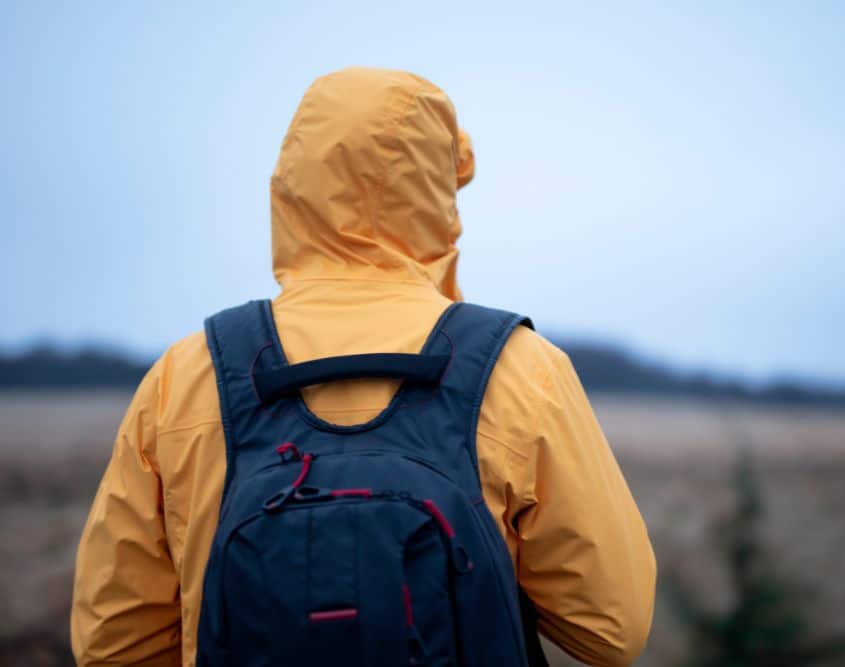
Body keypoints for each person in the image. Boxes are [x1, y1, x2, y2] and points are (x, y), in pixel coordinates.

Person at [71, 66, 656, 666]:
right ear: (437, 196)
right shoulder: (520, 369)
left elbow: (114, 643)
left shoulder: (185, 376)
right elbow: (611, 629)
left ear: (291, 187)